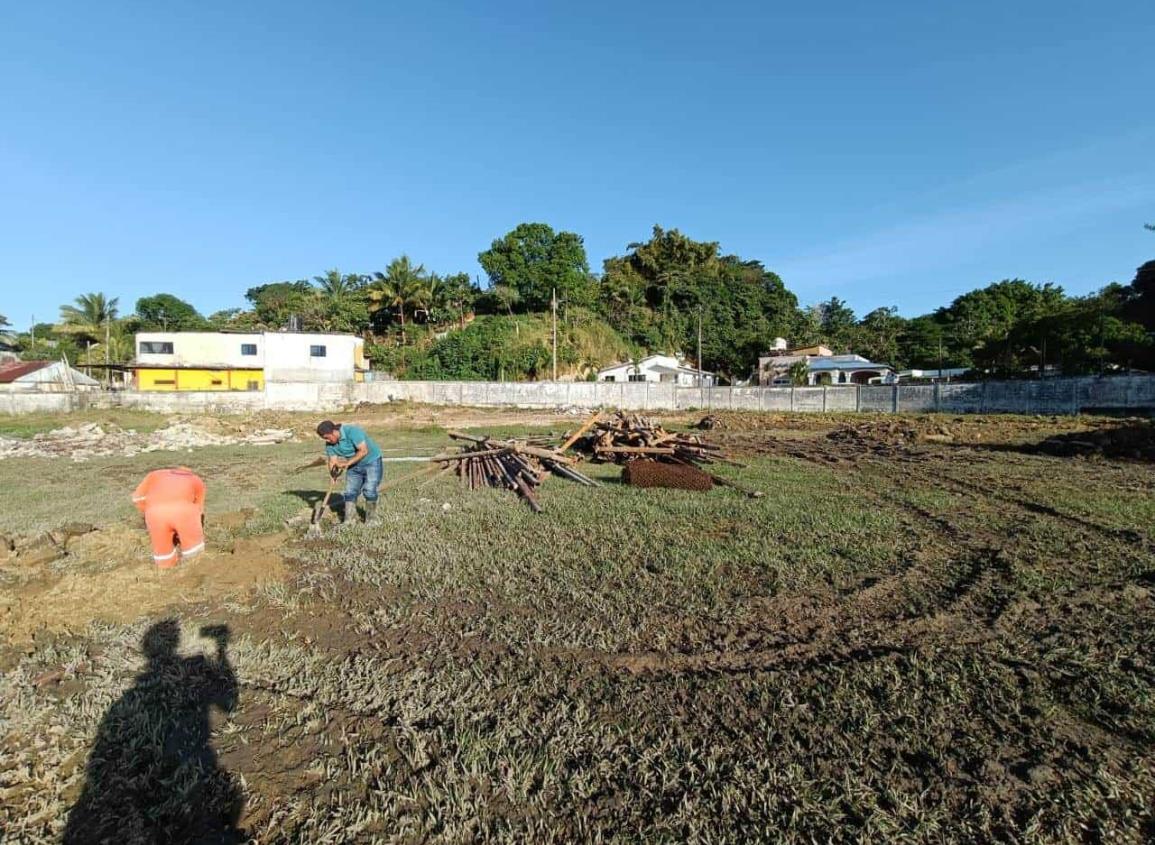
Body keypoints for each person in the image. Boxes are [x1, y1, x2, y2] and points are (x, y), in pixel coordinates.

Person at [132, 467, 206, 568]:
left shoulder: (155, 474)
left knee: (163, 555)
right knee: (194, 553)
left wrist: (147, 511)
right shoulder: (196, 480)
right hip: (184, 513)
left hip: (155, 514)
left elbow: (137, 498)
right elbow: (199, 509)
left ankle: (165, 570)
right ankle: (194, 567)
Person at [316, 419, 384, 524]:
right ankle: (349, 520)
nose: (327, 441)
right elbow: (332, 461)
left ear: (333, 432)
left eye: (327, 438)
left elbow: (364, 450)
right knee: (350, 492)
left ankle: (372, 520)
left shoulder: (352, 431)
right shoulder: (330, 444)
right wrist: (333, 476)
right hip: (354, 464)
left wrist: (347, 463)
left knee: (369, 490)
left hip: (371, 461)